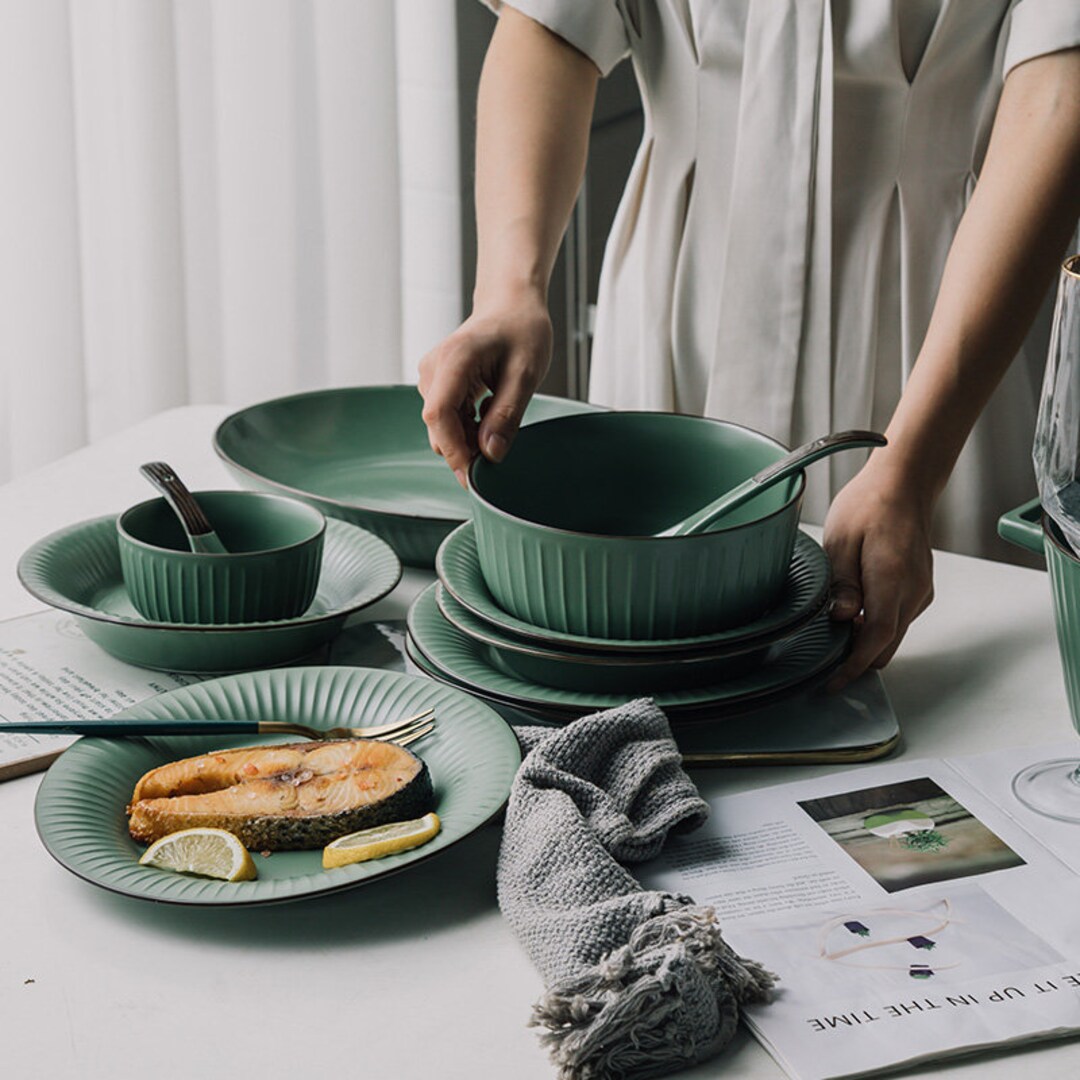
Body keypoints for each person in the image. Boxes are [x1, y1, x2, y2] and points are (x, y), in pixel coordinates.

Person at [419, 1, 1080, 689]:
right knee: (634, 679)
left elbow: (1060, 91)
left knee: (929, 702)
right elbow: (549, 23)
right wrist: (508, 289)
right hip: (675, 300)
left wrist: (916, 465)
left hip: (944, 329)